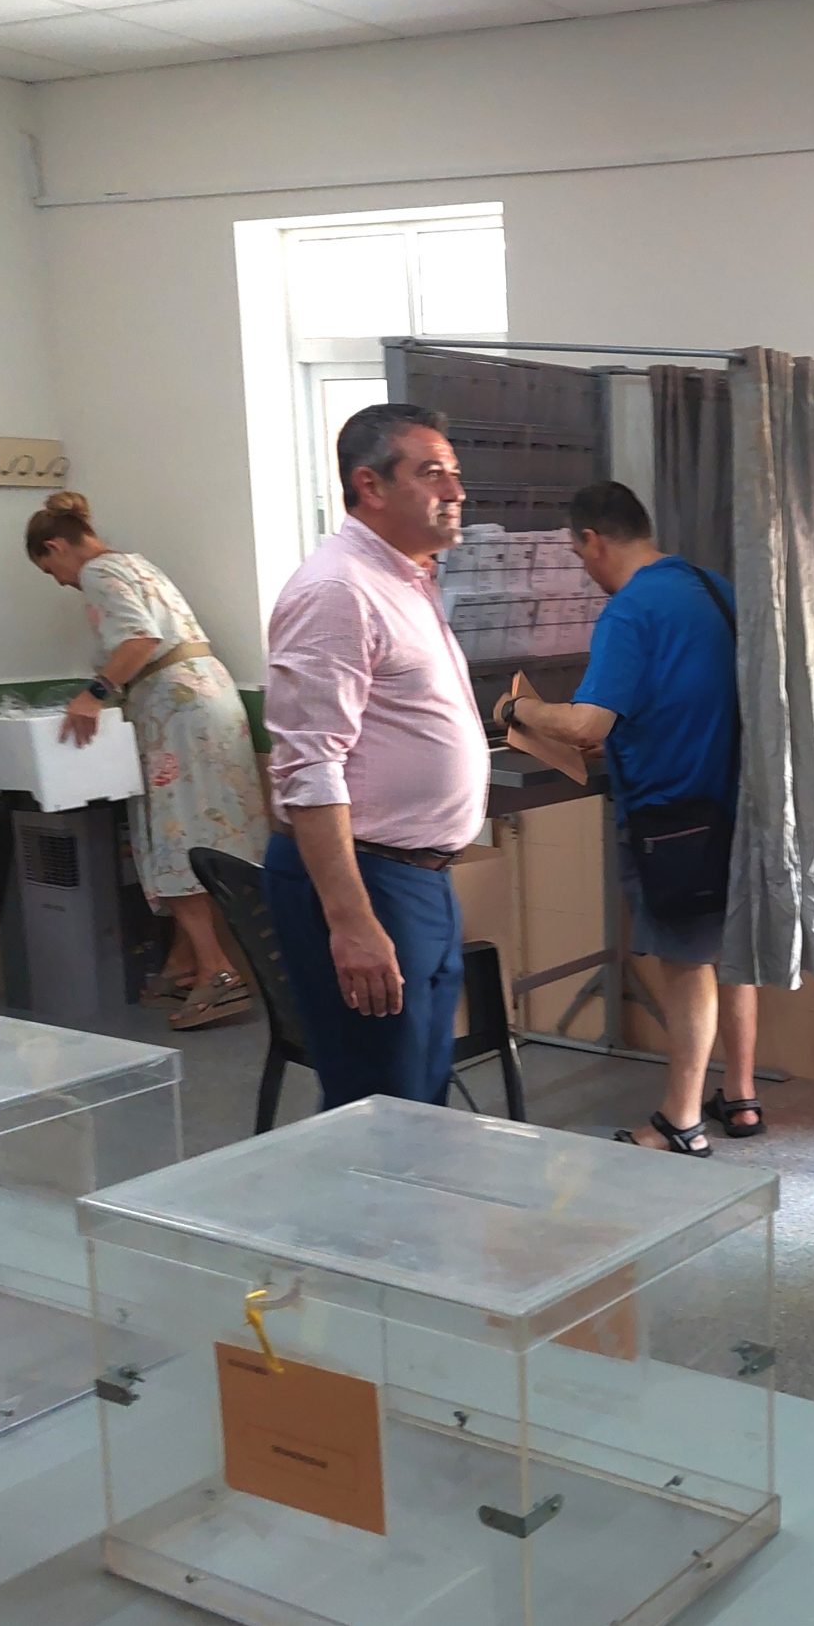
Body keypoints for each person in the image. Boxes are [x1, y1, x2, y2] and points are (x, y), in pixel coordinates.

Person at [501, 481, 759, 1157]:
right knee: (729, 954)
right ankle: (741, 1097)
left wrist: (519, 711)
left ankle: (681, 1121)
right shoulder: (713, 589)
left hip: (673, 816)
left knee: (686, 966)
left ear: (592, 540)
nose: (583, 569)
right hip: (736, 807)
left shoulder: (631, 610)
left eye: (577, 554)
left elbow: (586, 726)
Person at [262, 404, 488, 1109]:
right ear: (370, 485)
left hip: (417, 878)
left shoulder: (406, 581)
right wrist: (351, 920)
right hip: (366, 879)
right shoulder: (338, 590)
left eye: (454, 473)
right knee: (380, 1107)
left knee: (418, 1092)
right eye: (432, 474)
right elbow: (309, 766)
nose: (455, 491)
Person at [25, 491, 269, 1030]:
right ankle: (184, 963)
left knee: (174, 839)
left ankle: (218, 971)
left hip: (175, 708)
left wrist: (94, 694)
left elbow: (139, 637)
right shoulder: (136, 564)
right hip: (210, 696)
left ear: (55, 546)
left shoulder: (96, 572)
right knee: (210, 835)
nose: (61, 583)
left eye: (50, 570)